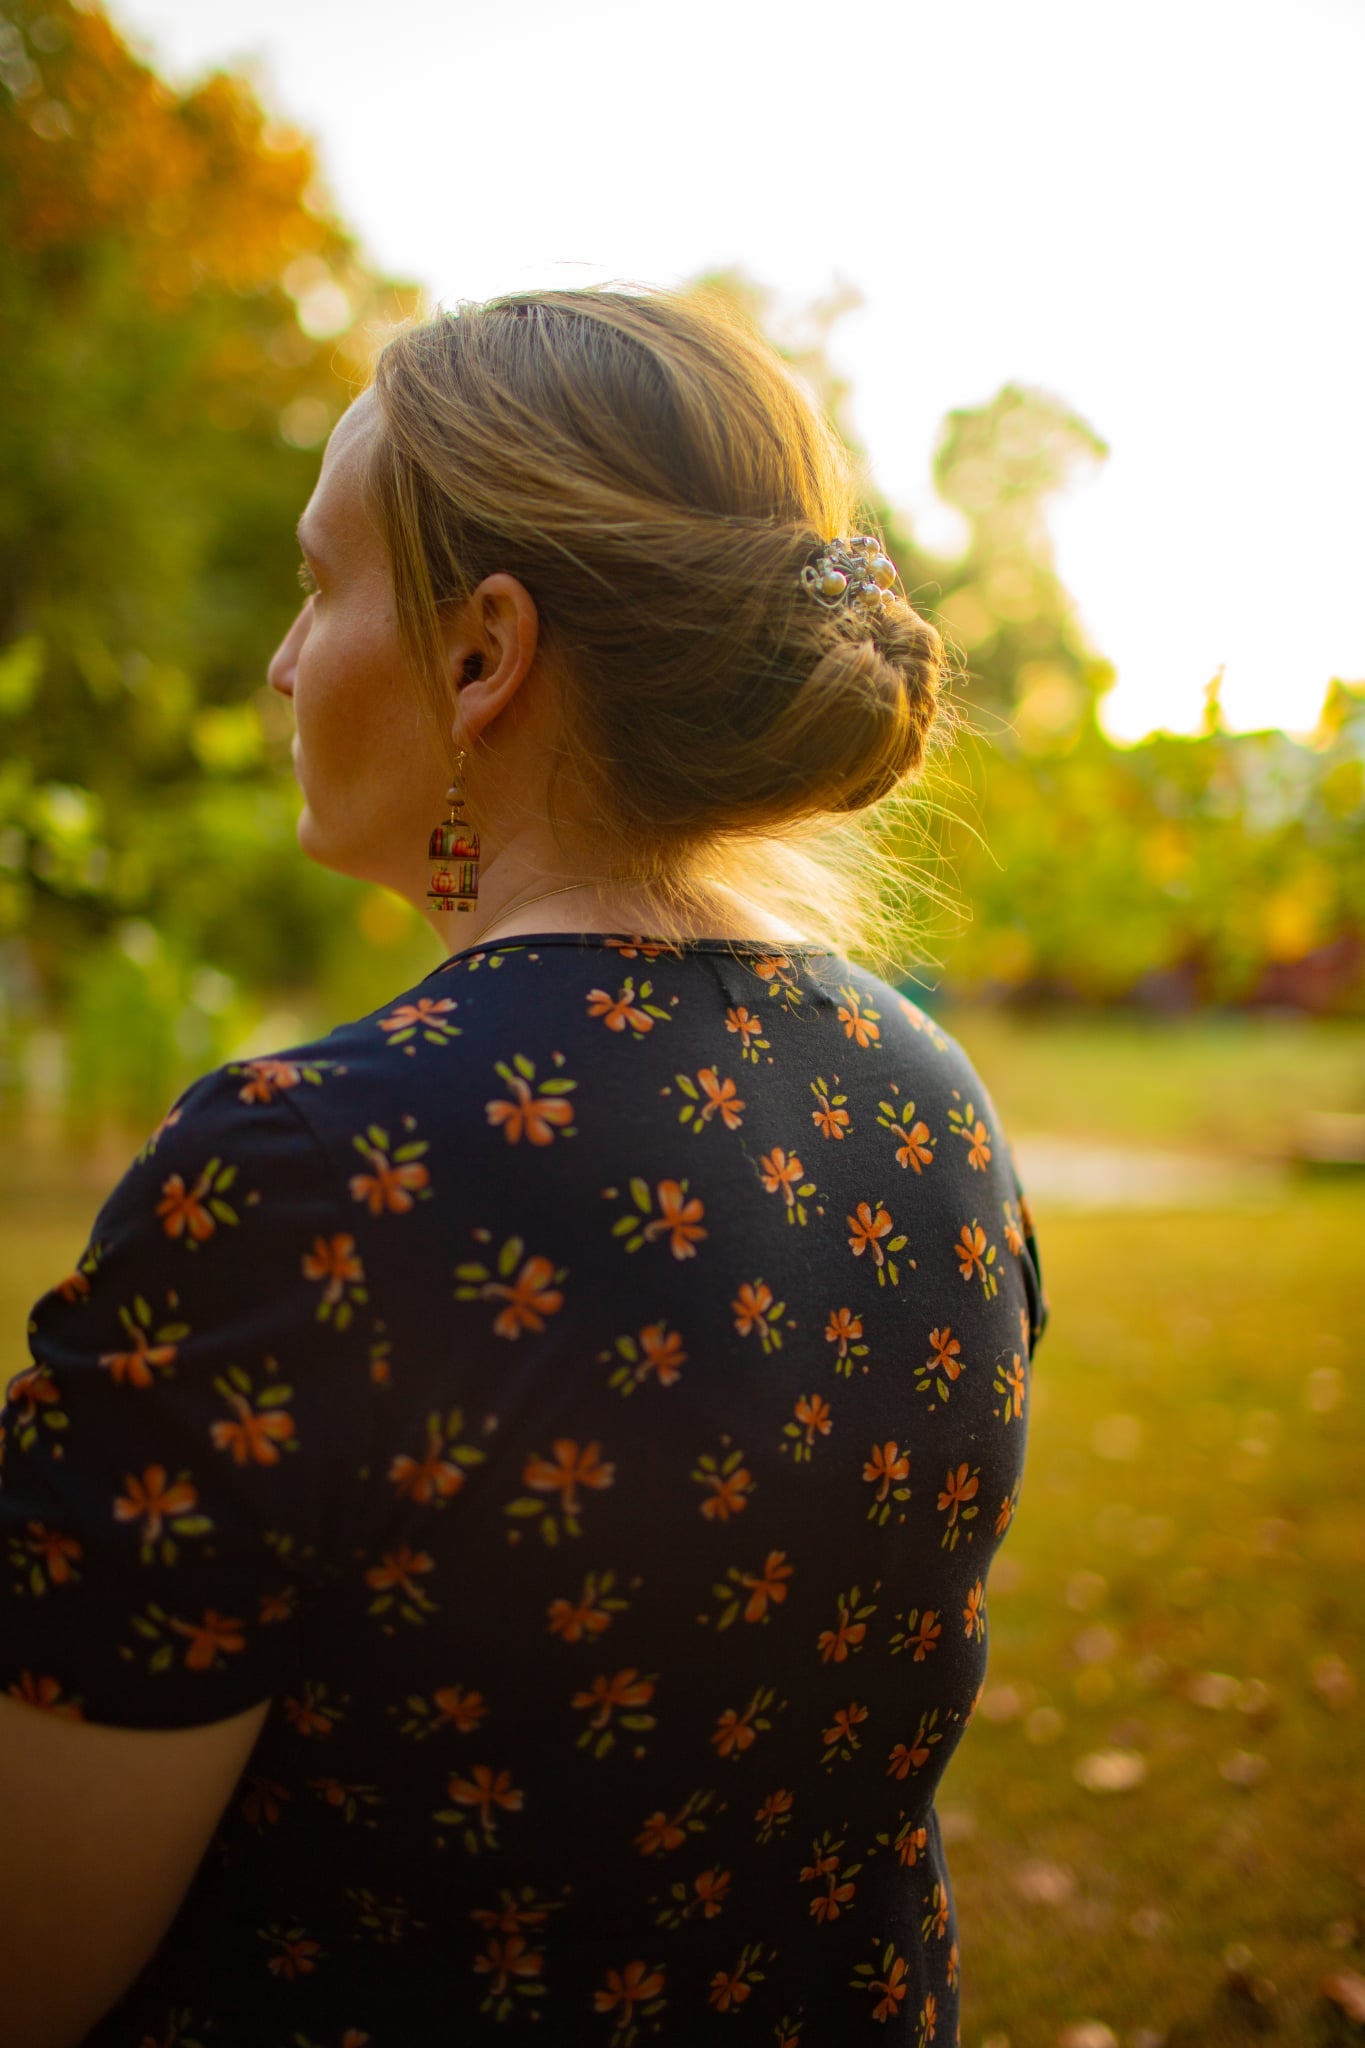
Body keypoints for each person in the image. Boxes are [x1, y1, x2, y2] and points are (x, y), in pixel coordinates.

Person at [0, 285, 1045, 2047]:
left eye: (321, 583)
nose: (279, 659)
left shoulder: (309, 1174)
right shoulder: (932, 1103)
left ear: (483, 653)